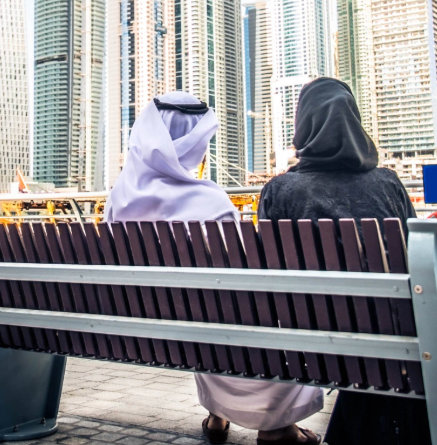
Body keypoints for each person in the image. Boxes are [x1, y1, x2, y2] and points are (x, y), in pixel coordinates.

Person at [106, 91, 323, 445]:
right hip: (211, 323)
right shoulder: (209, 202)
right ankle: (277, 428)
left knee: (200, 312)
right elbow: (240, 281)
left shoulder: (118, 199)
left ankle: (218, 415)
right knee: (245, 317)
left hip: (146, 330)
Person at [258, 78, 429, 445]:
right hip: (394, 339)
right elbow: (418, 257)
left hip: (311, 345)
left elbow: (266, 273)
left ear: (303, 127)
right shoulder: (389, 183)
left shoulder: (279, 191)